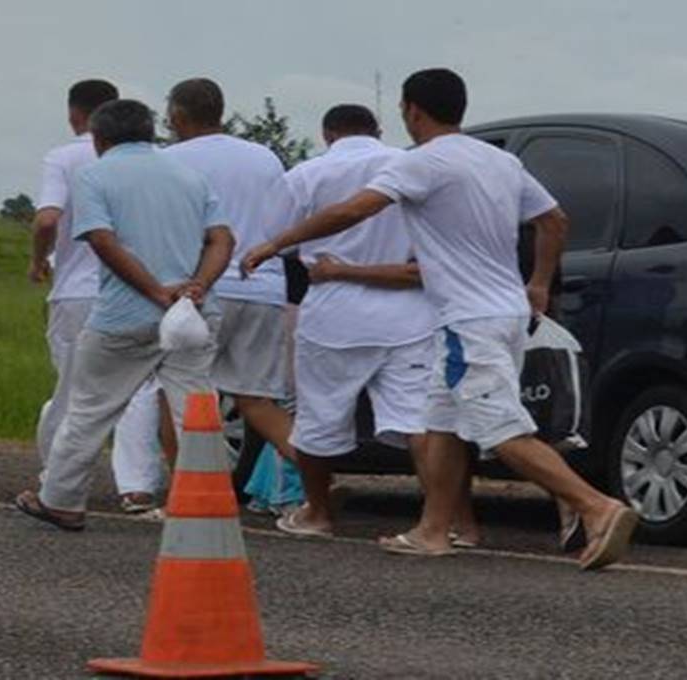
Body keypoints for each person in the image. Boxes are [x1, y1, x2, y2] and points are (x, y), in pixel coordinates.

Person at [241, 68, 637, 570]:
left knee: (499, 429)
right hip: (498, 311)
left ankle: (596, 506)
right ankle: (433, 530)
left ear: (412, 111)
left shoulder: (423, 163)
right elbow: (553, 221)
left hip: (467, 320)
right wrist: (537, 283)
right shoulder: (500, 161)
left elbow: (352, 211)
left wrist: (277, 242)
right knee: (439, 421)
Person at [15, 99, 235, 531]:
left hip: (125, 313)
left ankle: (61, 499)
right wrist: (197, 287)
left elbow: (102, 240)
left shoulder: (95, 175)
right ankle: (208, 504)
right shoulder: (189, 175)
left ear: (99, 139)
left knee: (90, 408)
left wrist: (155, 291)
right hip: (192, 313)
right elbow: (222, 239)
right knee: (194, 410)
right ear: (152, 131)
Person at [272, 104, 443, 539]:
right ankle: (436, 522)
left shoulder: (306, 176)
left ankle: (318, 513)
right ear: (379, 130)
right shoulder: (410, 166)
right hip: (408, 310)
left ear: (328, 134)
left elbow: (276, 238)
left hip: (334, 311)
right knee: (416, 421)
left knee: (318, 417)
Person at [29, 79, 166, 513]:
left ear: (76, 115)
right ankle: (136, 484)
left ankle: (58, 477)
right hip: (142, 287)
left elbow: (48, 218)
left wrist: (39, 260)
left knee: (74, 389)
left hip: (76, 290)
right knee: (140, 388)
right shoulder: (157, 161)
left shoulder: (64, 157)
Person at [162, 78, 297, 463]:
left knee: (177, 392)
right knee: (256, 399)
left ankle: (185, 491)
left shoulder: (173, 160)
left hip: (200, 290)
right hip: (264, 287)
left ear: (177, 115)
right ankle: (314, 483)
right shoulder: (264, 157)